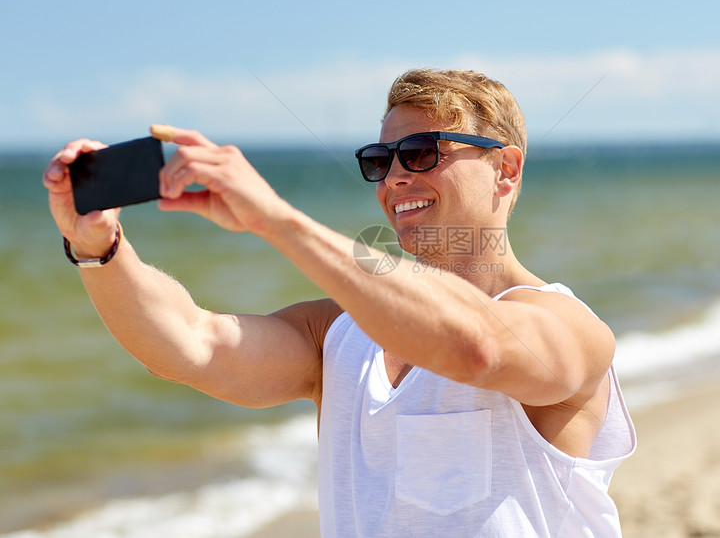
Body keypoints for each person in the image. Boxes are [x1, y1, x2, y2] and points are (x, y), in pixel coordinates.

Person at [43, 68, 636, 537]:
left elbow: (476, 347)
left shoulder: (571, 327)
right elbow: (191, 346)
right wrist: (99, 248)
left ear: (504, 169)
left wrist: (276, 220)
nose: (395, 177)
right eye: (380, 162)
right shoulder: (338, 334)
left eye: (423, 152)